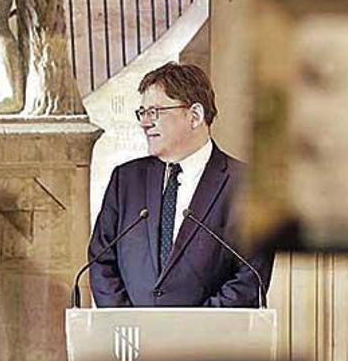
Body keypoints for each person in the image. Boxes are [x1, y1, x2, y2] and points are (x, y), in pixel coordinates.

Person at [88, 62, 273, 307]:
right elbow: (101, 261)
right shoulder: (126, 180)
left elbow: (250, 277)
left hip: (209, 343)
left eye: (155, 112)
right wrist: (129, 327)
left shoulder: (246, 185)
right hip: (133, 340)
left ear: (195, 115)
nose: (145, 123)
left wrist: (187, 331)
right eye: (142, 113)